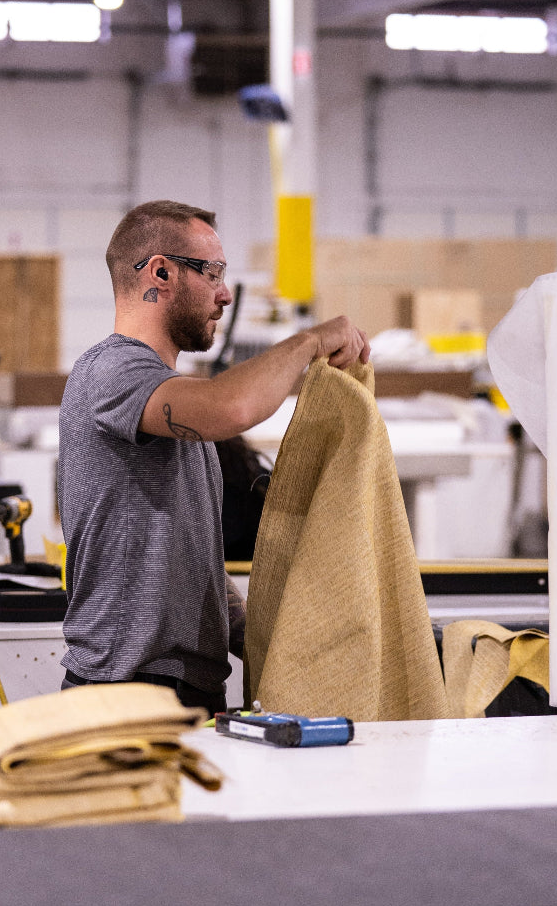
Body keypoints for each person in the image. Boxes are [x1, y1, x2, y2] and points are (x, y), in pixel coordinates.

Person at [57, 200, 370, 716]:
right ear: (160, 272)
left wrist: (277, 647)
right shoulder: (111, 372)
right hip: (124, 695)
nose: (224, 294)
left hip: (183, 691)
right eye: (214, 273)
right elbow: (233, 407)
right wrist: (310, 340)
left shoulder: (171, 403)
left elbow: (191, 558)